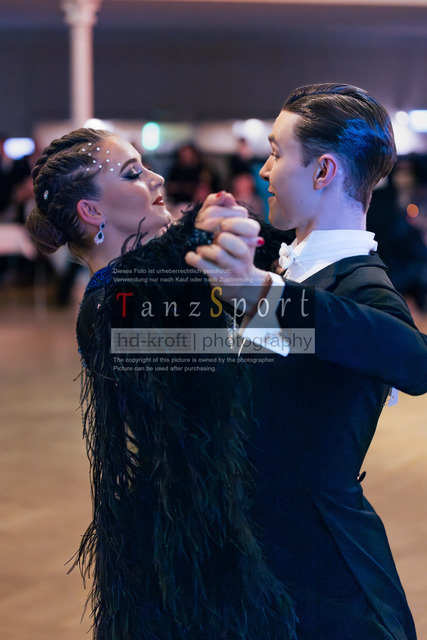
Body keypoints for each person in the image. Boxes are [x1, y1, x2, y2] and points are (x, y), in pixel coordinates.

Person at [25, 128, 297, 640]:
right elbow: (248, 362)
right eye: (132, 173)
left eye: (146, 165)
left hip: (214, 518)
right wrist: (203, 241)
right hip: (182, 544)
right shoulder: (111, 308)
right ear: (91, 211)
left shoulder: (162, 281)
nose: (156, 178)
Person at [186, 83, 427, 639]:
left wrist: (260, 296)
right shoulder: (286, 269)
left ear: (323, 171)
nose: (265, 170)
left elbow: (414, 361)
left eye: (276, 153)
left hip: (324, 583)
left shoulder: (363, 286)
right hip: (262, 562)